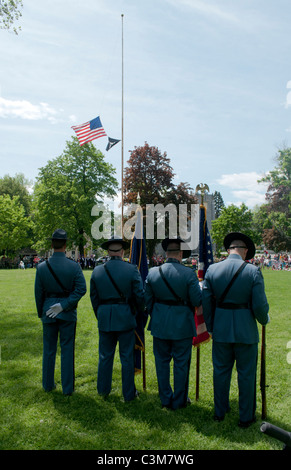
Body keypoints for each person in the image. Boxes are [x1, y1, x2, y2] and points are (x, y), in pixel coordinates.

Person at [202, 232, 270, 427]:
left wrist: (211, 326)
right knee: (247, 374)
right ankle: (246, 416)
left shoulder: (212, 270)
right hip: (245, 330)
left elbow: (206, 303)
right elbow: (259, 306)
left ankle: (220, 411)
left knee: (220, 372)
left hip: (221, 328)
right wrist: (264, 319)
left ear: (228, 250)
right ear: (245, 251)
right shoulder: (253, 271)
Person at [144, 237, 202, 410]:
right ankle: (179, 400)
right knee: (181, 364)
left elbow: (147, 301)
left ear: (166, 253)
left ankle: (165, 399)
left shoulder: (153, 272)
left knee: (161, 363)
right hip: (182, 324)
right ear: (181, 254)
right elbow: (197, 300)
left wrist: (158, 313)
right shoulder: (188, 274)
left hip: (160, 323)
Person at [90, 236, 144, 402]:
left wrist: (101, 313)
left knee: (105, 356)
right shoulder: (131, 269)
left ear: (108, 252)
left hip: (105, 316)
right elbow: (139, 296)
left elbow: (94, 298)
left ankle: (103, 390)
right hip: (125, 316)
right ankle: (128, 394)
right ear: (122, 252)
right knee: (127, 357)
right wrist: (134, 311)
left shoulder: (97, 270)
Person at [34, 229, 87, 395]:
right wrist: (65, 305)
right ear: (66, 245)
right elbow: (81, 289)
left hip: (48, 310)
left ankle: (48, 385)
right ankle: (68, 388)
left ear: (52, 244)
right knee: (67, 350)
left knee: (49, 350)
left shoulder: (42, 267)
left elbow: (38, 293)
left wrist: (41, 312)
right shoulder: (74, 266)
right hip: (67, 312)